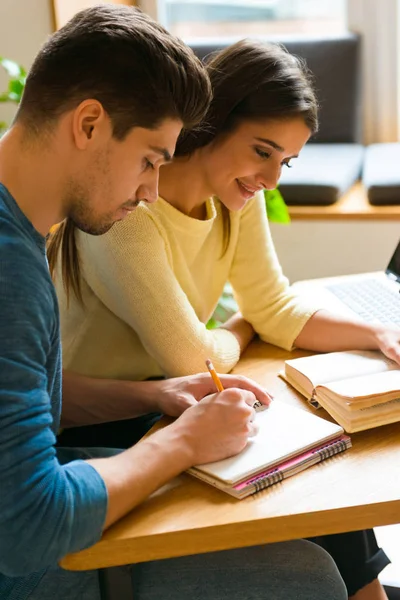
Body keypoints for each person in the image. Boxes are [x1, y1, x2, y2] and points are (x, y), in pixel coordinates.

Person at [0, 7, 348, 600]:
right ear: (88, 124)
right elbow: (28, 529)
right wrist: (182, 441)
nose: (151, 191)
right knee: (305, 579)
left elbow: (30, 398)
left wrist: (154, 396)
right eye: (150, 160)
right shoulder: (11, 269)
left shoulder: (23, 236)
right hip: (20, 559)